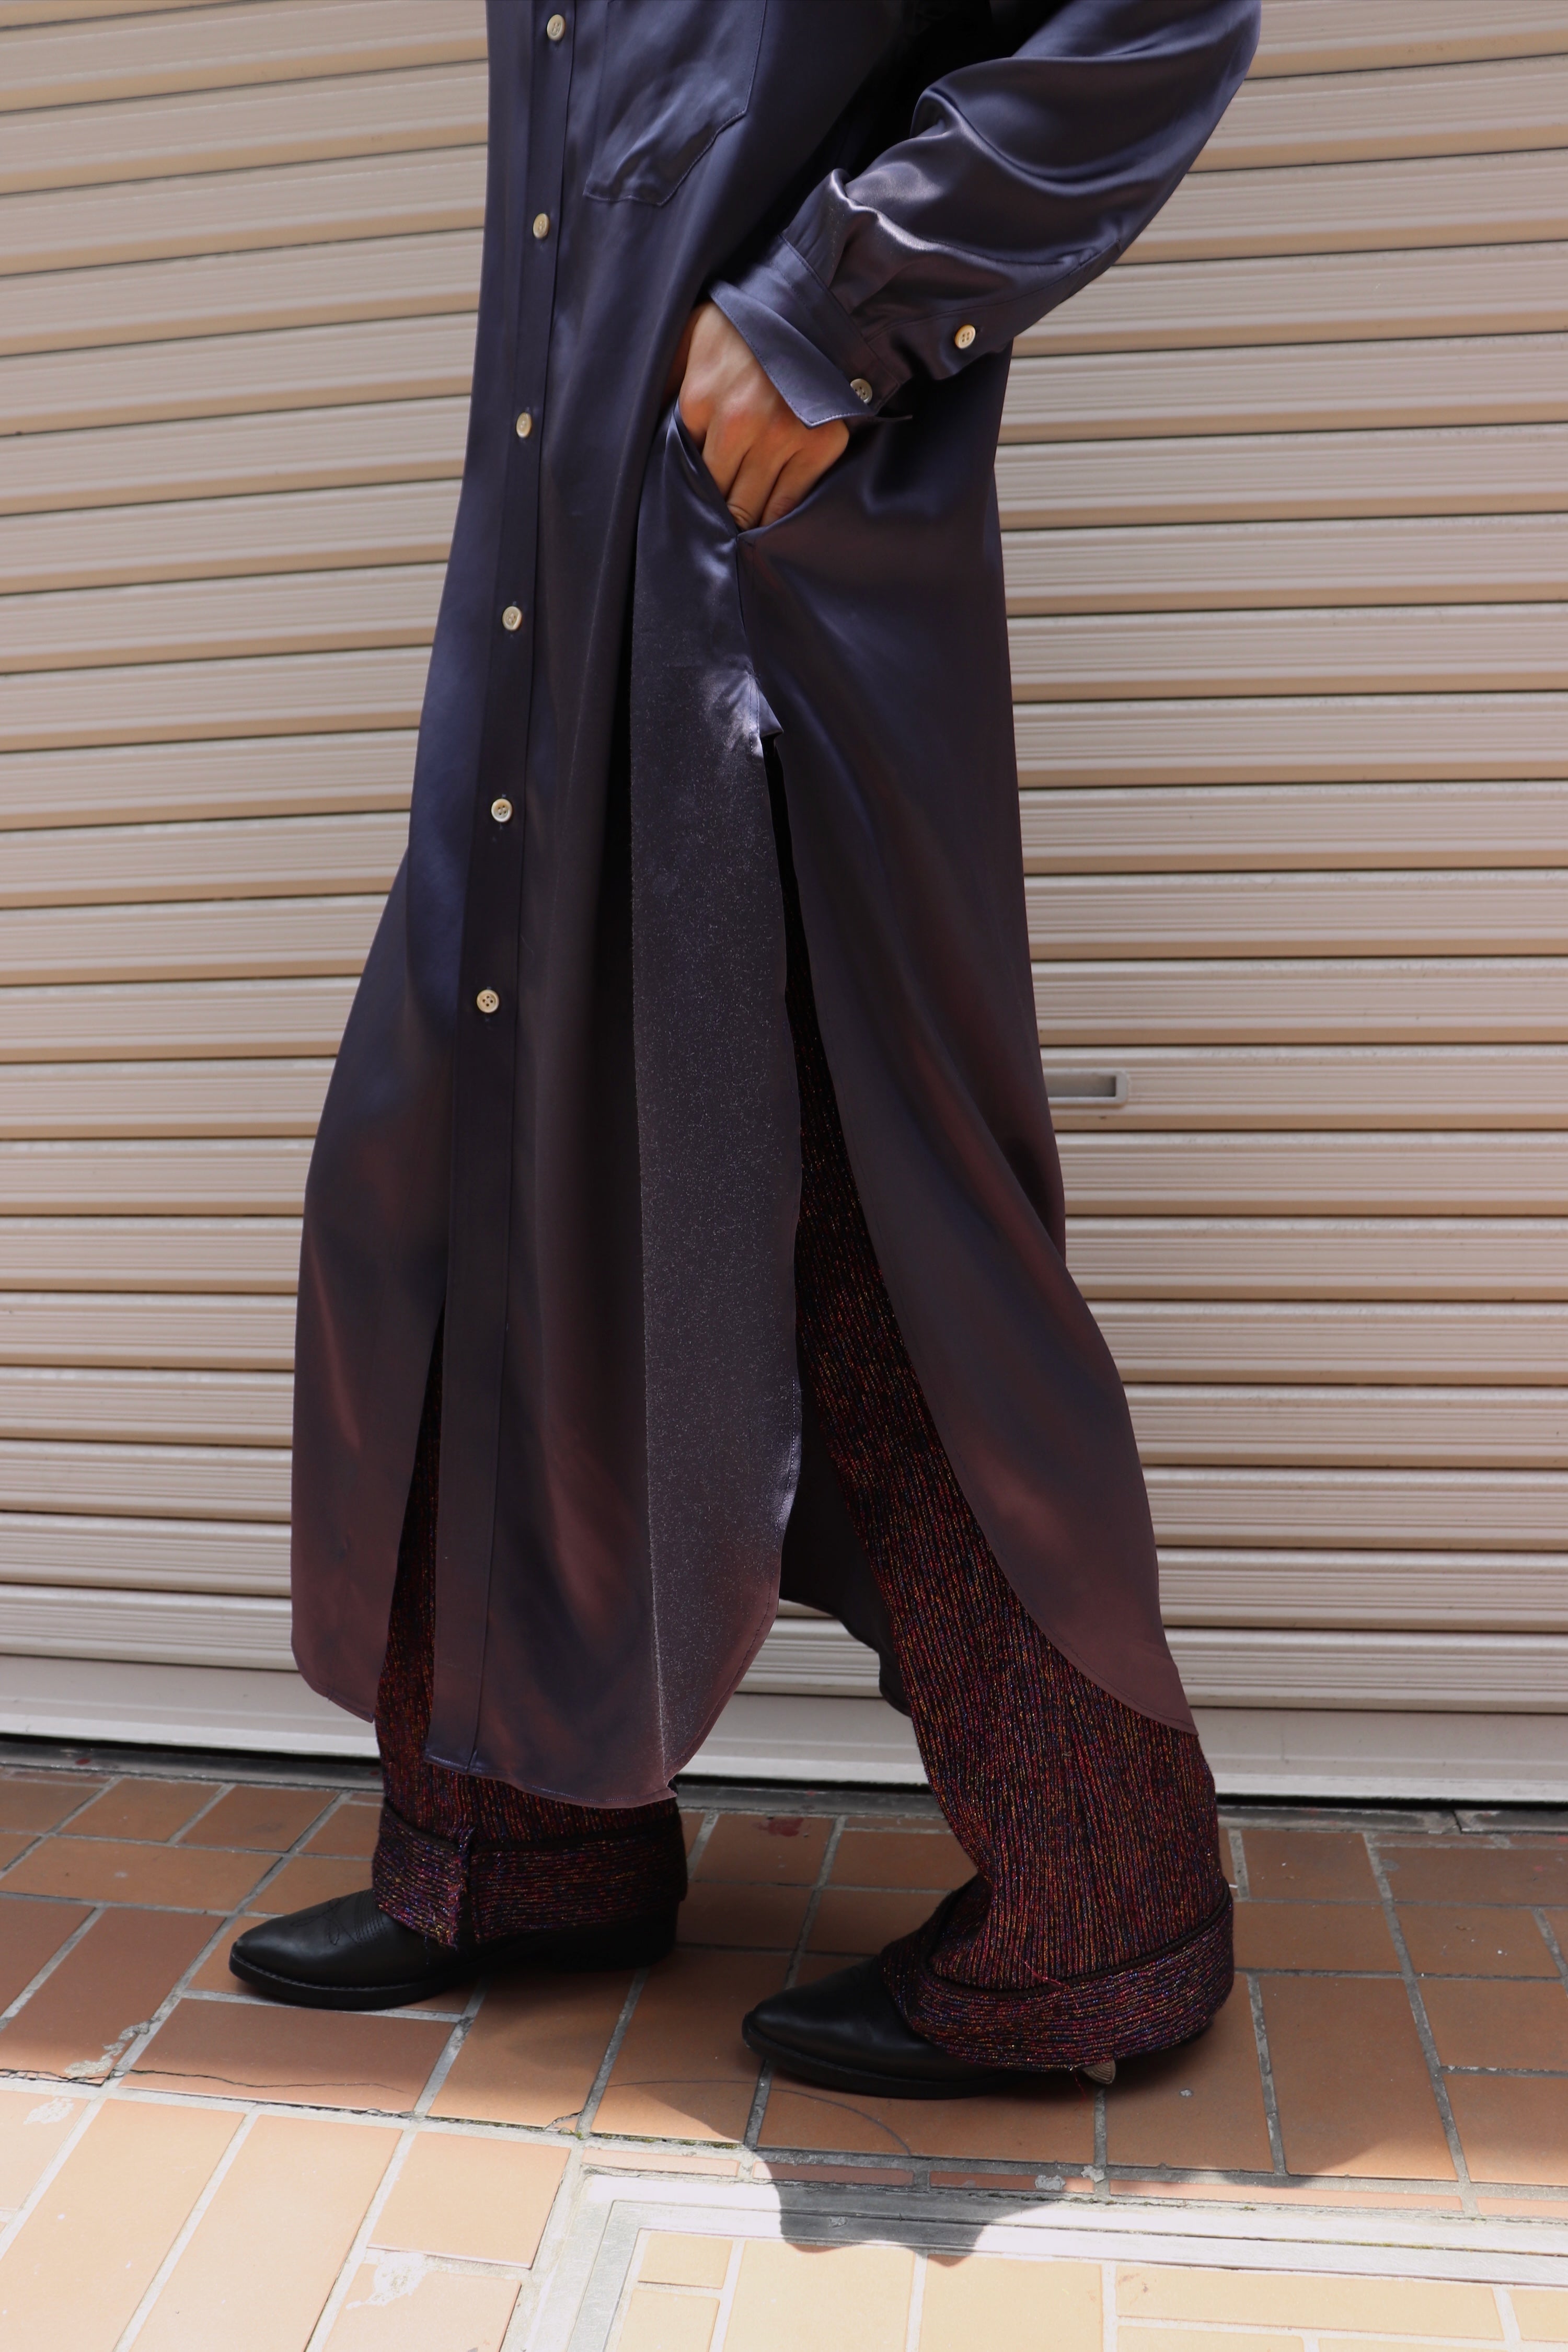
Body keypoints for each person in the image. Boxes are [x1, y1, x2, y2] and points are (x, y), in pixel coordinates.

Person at [233, 0, 1261, 2096]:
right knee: (469, 1188)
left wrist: (826, 315)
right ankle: (522, 1834)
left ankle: (1100, 1901)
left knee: (854, 1223)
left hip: (753, 615)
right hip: (550, 599)